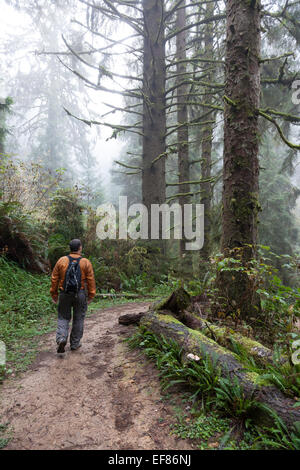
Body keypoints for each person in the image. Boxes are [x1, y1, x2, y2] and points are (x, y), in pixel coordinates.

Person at [50, 239, 96, 353]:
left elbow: (54, 278)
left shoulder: (62, 260)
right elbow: (91, 280)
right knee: (79, 318)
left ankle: (61, 338)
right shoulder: (85, 262)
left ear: (70, 248)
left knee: (63, 317)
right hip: (80, 294)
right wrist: (91, 295)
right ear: (80, 248)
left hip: (64, 294)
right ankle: (75, 344)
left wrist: (54, 294)